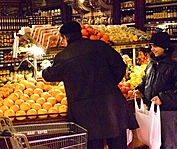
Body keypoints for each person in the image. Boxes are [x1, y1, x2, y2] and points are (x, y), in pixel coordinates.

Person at [42, 21, 138, 149]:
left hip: (84, 110)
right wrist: (109, 84)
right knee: (118, 143)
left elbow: (50, 76)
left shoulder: (63, 56)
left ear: (65, 37)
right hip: (111, 105)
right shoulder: (100, 46)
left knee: (92, 144)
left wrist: (45, 69)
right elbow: (120, 66)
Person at [135, 32, 177, 149]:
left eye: (156, 46)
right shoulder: (152, 62)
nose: (153, 49)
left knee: (169, 143)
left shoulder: (175, 65)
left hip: (167, 111)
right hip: (152, 108)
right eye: (152, 46)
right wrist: (140, 88)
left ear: (165, 47)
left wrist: (162, 98)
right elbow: (146, 79)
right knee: (155, 142)